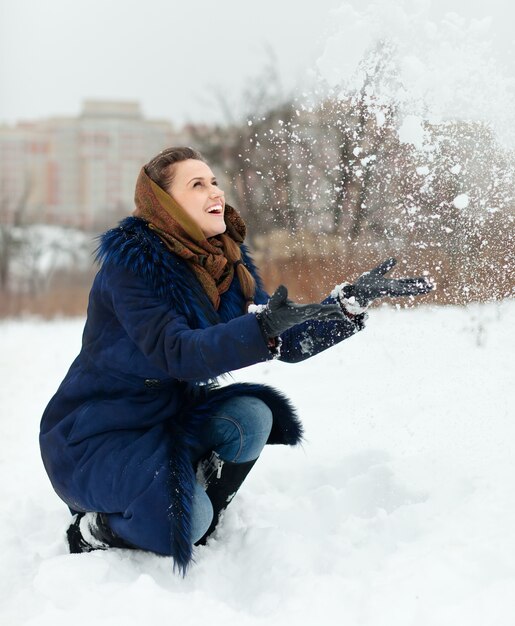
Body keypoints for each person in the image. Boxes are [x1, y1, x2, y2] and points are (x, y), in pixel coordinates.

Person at [39, 147, 433, 575]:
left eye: (213, 181)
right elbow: (178, 353)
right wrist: (260, 330)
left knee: (251, 415)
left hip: (166, 424)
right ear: (165, 203)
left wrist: (346, 308)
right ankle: (96, 531)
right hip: (96, 439)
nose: (215, 192)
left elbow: (282, 338)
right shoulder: (130, 270)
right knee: (187, 519)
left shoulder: (224, 267)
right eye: (197, 185)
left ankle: (199, 509)